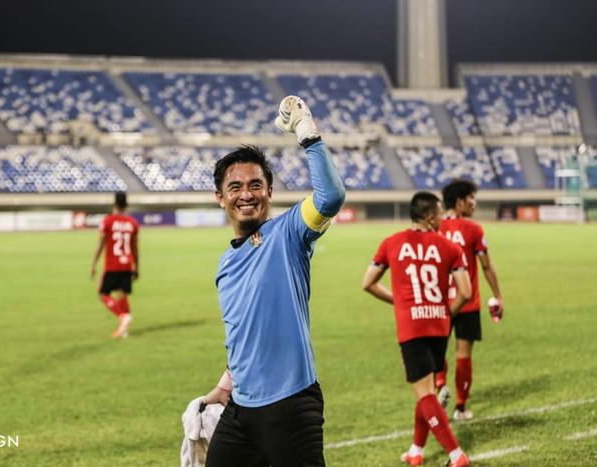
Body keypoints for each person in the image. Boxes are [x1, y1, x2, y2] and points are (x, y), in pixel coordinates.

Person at [205, 96, 345, 467]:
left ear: (269, 191)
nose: (246, 194)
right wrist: (224, 386)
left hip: (290, 406)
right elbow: (243, 334)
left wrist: (306, 132)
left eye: (255, 185)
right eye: (235, 187)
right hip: (240, 409)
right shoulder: (225, 264)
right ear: (220, 198)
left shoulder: (289, 232)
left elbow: (331, 196)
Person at [361, 191, 472, 467]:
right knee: (427, 390)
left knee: (424, 394)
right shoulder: (449, 247)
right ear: (431, 216)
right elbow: (466, 292)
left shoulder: (392, 243)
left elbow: (368, 283)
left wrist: (398, 301)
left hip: (412, 325)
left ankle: (457, 456)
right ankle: (416, 450)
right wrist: (446, 312)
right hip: (439, 324)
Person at [435, 180, 504, 421]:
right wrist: (497, 295)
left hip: (440, 302)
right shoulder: (473, 229)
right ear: (460, 201)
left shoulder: (435, 227)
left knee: (437, 351)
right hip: (467, 302)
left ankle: (440, 383)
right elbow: (486, 266)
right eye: (471, 198)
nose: (474, 203)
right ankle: (461, 408)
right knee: (463, 353)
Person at [90, 192, 139, 338]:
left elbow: (101, 244)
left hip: (112, 264)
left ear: (114, 204)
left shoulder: (108, 221)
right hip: (127, 264)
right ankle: (124, 329)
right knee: (122, 295)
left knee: (103, 293)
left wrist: (93, 263)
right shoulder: (132, 223)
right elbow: (135, 249)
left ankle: (122, 316)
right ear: (126, 205)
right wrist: (137, 267)